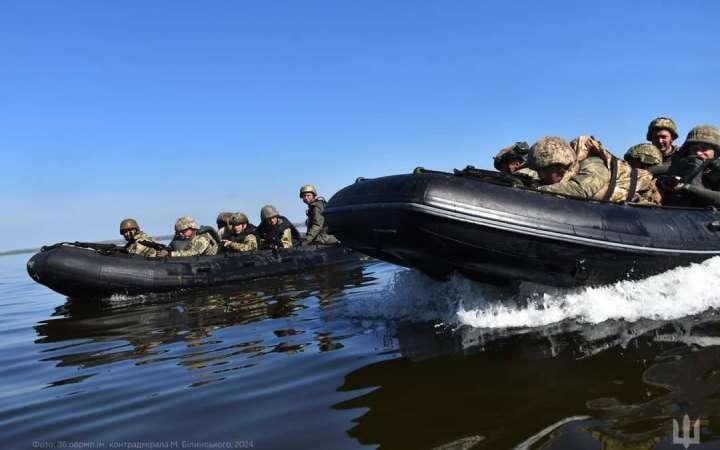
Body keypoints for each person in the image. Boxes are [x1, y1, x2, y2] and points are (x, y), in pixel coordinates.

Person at [528, 136, 660, 204]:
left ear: (560, 166)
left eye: (545, 171)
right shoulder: (566, 171)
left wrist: (533, 192)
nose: (541, 176)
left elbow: (581, 189)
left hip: (642, 203)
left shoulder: (594, 164)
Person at [661, 125, 720, 206]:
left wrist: (687, 187)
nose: (698, 153)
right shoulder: (681, 167)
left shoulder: (716, 172)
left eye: (704, 148)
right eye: (695, 149)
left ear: (716, 152)